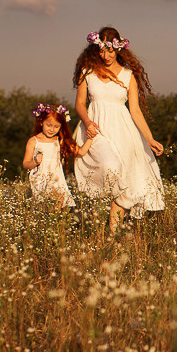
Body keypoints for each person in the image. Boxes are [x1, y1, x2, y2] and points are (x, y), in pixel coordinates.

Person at [72, 27, 165, 231]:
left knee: (126, 181)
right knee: (110, 166)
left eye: (110, 51)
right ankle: (95, 222)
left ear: (118, 50)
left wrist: (150, 139)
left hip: (123, 130)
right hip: (95, 130)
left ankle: (111, 237)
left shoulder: (128, 75)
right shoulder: (87, 72)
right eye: (102, 51)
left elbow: (135, 110)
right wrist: (87, 122)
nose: (105, 56)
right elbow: (79, 103)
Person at [22, 103, 93, 208]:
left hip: (57, 179)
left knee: (58, 208)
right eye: (49, 125)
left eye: (56, 127)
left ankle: (58, 224)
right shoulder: (34, 141)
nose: (52, 129)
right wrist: (35, 162)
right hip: (40, 179)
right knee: (44, 210)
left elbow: (81, 152)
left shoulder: (60, 140)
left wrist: (91, 138)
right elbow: (25, 164)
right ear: (41, 122)